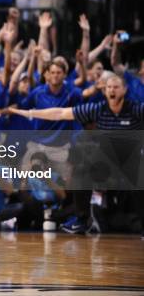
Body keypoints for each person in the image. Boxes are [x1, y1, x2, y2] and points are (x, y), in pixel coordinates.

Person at [9, 74, 144, 236]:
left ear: (124, 90)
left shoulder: (136, 109)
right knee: (81, 171)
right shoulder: (97, 109)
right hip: (107, 160)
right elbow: (60, 113)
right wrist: (30, 113)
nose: (112, 90)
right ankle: (82, 220)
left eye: (116, 87)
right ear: (105, 91)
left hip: (130, 158)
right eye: (109, 87)